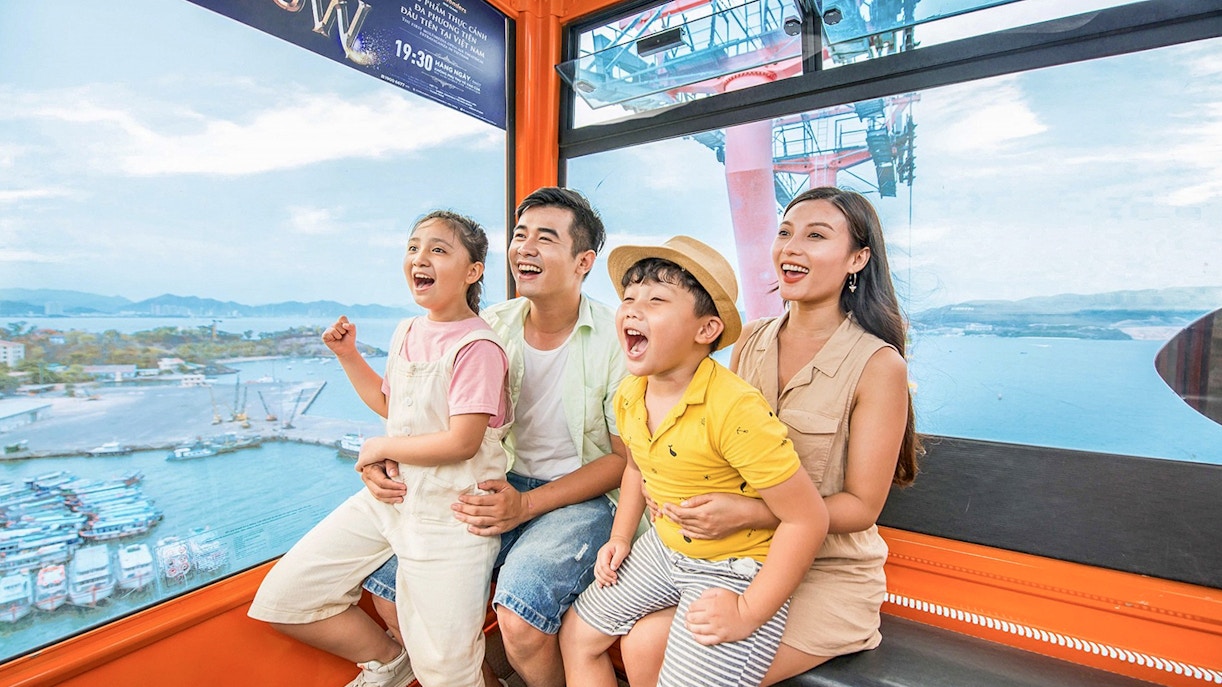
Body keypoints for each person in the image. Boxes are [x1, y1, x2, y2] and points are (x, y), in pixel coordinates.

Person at [620, 187, 920, 686]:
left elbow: (863, 507)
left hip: (827, 574)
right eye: (785, 233)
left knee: (664, 652)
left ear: (857, 259)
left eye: (816, 236)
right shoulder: (752, 340)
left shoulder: (878, 365)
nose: (791, 248)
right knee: (638, 640)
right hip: (741, 557)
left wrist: (748, 512)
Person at [357, 187, 629, 687]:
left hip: (581, 497)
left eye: (545, 238)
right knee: (388, 591)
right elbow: (434, 416)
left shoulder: (616, 340)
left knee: (520, 618)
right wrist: (386, 459)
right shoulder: (489, 327)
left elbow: (622, 462)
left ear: (583, 261)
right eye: (520, 235)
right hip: (492, 483)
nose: (524, 247)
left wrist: (526, 507)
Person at [248, 210, 512, 687]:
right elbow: (392, 406)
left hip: (451, 514)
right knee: (287, 599)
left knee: (449, 673)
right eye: (413, 247)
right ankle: (391, 662)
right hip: (390, 500)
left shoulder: (479, 347)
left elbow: (462, 441)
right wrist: (348, 356)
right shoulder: (407, 331)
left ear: (473, 272)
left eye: (438, 249)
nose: (419, 258)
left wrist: (379, 447)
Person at [558, 236, 830, 687]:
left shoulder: (734, 408)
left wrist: (746, 612)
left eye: (657, 299)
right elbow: (635, 467)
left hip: (735, 564)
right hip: (664, 547)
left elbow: (808, 520)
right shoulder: (630, 394)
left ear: (705, 331)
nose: (632, 309)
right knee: (578, 635)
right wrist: (621, 537)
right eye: (628, 298)